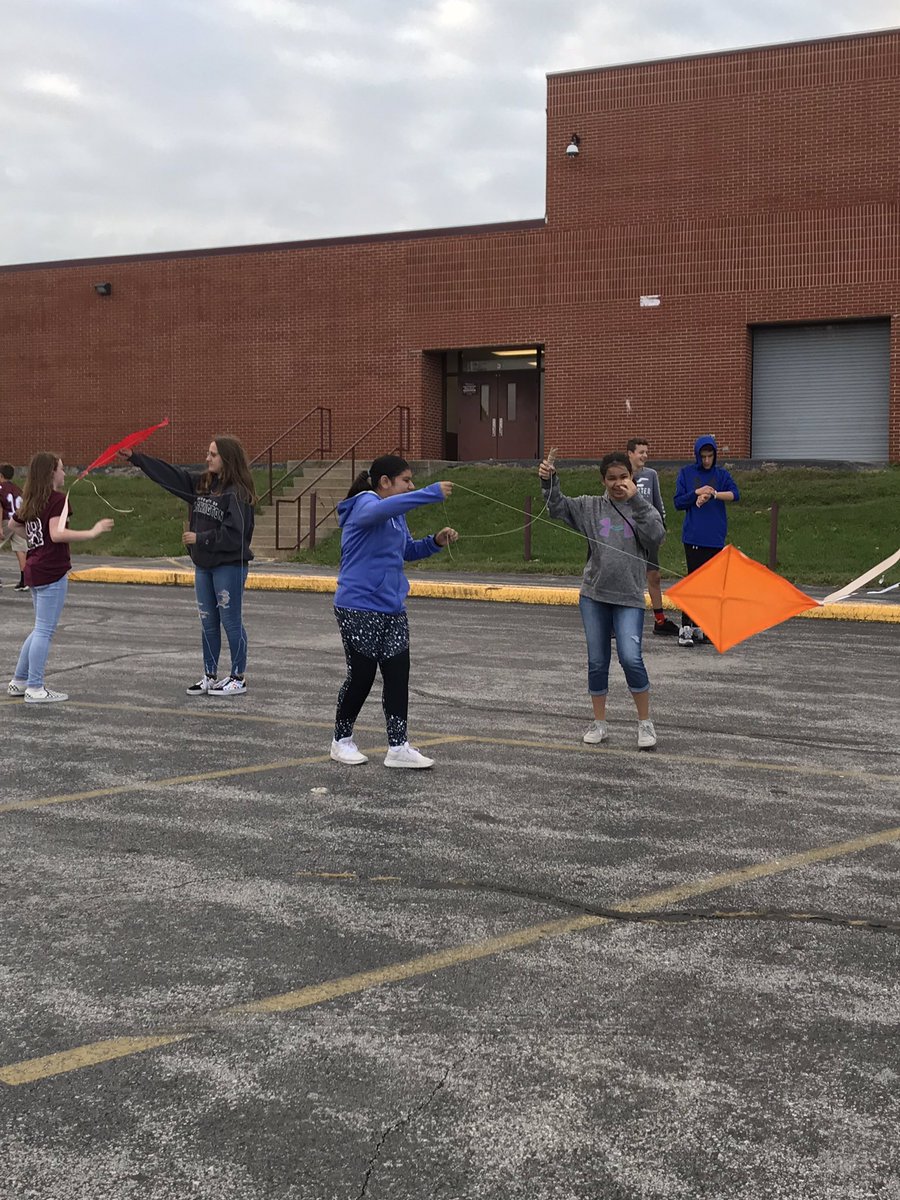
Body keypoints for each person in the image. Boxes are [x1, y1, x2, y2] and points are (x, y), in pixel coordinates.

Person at [330, 455, 458, 769]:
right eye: (406, 480)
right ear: (385, 482)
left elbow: (406, 550)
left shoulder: (395, 514)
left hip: (392, 606)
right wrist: (430, 492)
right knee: (362, 676)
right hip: (358, 605)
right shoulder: (365, 503)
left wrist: (435, 542)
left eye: (413, 481)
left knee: (398, 675)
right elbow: (380, 510)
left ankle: (398, 747)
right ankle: (341, 741)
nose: (411, 486)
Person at [539, 451, 665, 750]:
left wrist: (636, 501)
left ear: (632, 478)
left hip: (629, 596)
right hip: (594, 596)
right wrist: (549, 480)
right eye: (611, 478)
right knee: (597, 661)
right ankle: (599, 722)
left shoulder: (642, 507)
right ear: (602, 480)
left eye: (623, 477)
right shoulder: (591, 506)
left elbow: (657, 537)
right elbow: (557, 507)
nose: (618, 483)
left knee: (631, 658)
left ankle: (645, 723)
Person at [120, 437, 256, 695]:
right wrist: (137, 459)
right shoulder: (202, 484)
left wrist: (200, 539)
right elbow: (172, 476)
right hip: (203, 565)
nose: (207, 458)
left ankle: (238, 677)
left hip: (228, 566)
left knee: (231, 621)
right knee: (207, 621)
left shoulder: (237, 493)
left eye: (213, 454)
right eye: (208, 453)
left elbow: (236, 535)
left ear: (227, 458)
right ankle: (210, 675)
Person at [7, 453, 113, 703]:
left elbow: (13, 525)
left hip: (34, 568)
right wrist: (92, 532)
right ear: (51, 473)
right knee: (44, 630)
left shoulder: (32, 499)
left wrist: (36, 538)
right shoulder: (57, 500)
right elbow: (56, 534)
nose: (65, 473)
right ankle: (35, 687)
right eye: (62, 469)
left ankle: (19, 681)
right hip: (51, 570)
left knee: (39, 628)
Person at [673, 435, 740, 646]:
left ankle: (701, 626)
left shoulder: (721, 474)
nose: (707, 460)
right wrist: (697, 493)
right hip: (694, 536)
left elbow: (735, 494)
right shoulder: (686, 473)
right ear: (697, 455)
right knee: (693, 582)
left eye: (710, 456)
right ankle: (686, 627)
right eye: (703, 456)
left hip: (715, 537)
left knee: (711, 585)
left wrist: (713, 494)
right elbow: (678, 502)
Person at [626, 438, 678, 636]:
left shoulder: (651, 475)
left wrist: (661, 527)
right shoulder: (622, 474)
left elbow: (658, 502)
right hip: (628, 533)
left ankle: (660, 620)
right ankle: (619, 621)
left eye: (646, 452)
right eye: (641, 452)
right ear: (630, 454)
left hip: (648, 532)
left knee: (654, 575)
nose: (645, 456)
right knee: (628, 576)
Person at [0, 464, 28, 590]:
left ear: (1, 475)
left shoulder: (1, 488)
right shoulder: (17, 489)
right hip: (18, 520)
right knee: (20, 549)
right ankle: (25, 579)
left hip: (6, 520)